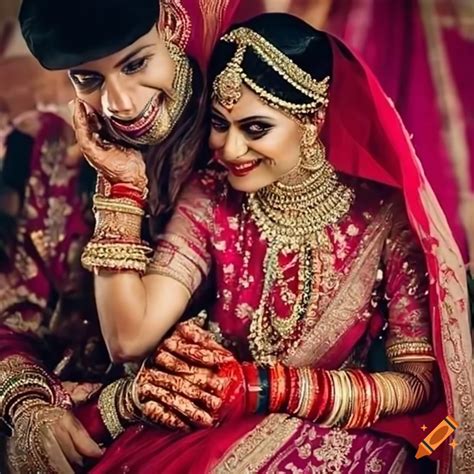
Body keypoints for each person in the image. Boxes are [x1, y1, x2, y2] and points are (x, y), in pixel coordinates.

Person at [70, 13, 473, 474]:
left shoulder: (384, 218)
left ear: (313, 119)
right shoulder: (211, 193)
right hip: (209, 423)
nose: (230, 149)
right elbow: (129, 337)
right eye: (220, 124)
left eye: (256, 128)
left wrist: (264, 387)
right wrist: (120, 185)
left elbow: (418, 383)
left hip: (333, 434)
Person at [1, 0, 242, 472]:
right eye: (88, 79)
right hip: (83, 421)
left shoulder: (248, 148)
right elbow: (12, 316)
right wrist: (29, 406)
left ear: (174, 25)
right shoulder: (46, 154)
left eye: (136, 63)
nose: (121, 105)